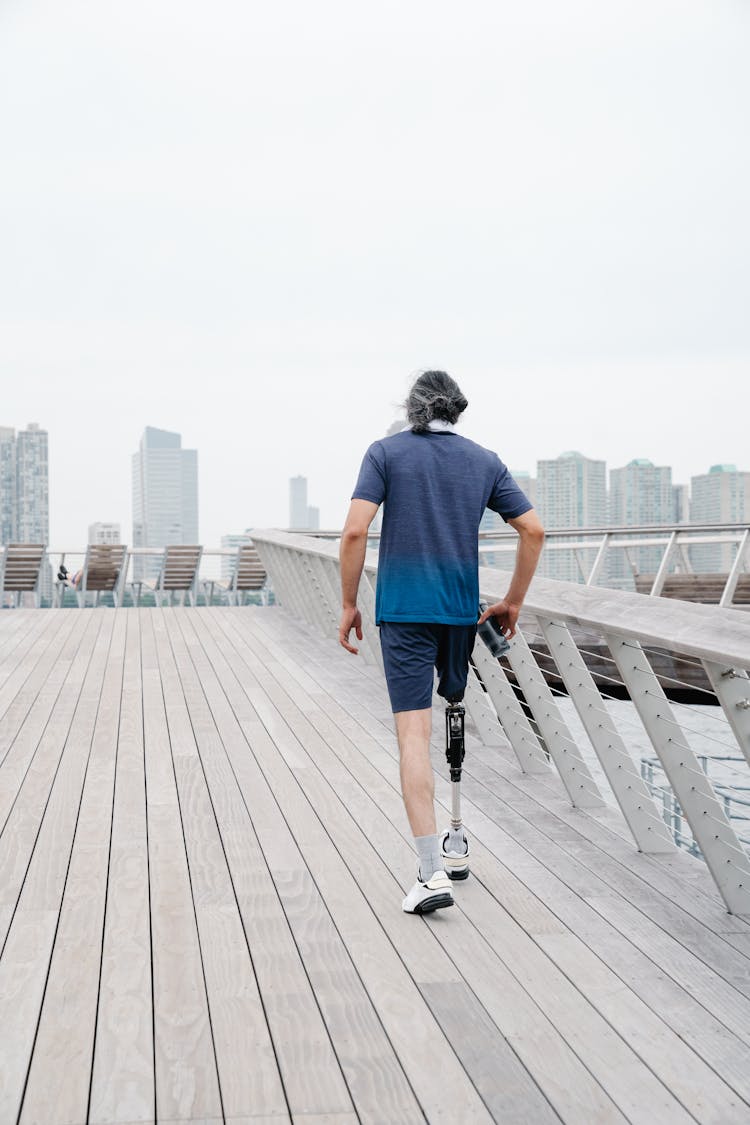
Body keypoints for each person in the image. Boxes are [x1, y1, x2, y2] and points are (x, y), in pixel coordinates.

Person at [338, 371, 544, 914]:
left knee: (413, 735)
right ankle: (456, 839)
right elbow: (534, 530)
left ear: (412, 409)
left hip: (405, 613)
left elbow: (355, 530)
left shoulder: (385, 453)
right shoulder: (485, 461)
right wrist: (514, 602)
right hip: (459, 611)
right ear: (457, 410)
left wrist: (347, 603)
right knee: (454, 701)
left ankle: (432, 873)